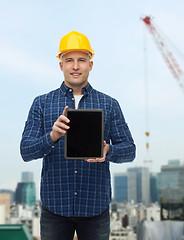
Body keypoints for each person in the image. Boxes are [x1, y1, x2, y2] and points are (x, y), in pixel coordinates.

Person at [20, 31, 136, 240]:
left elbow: (130, 150)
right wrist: (52, 136)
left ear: (90, 64)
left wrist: (108, 150)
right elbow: (26, 151)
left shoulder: (109, 104)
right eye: (69, 60)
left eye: (81, 60)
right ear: (61, 65)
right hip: (54, 207)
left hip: (95, 208)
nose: (75, 66)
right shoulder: (42, 103)